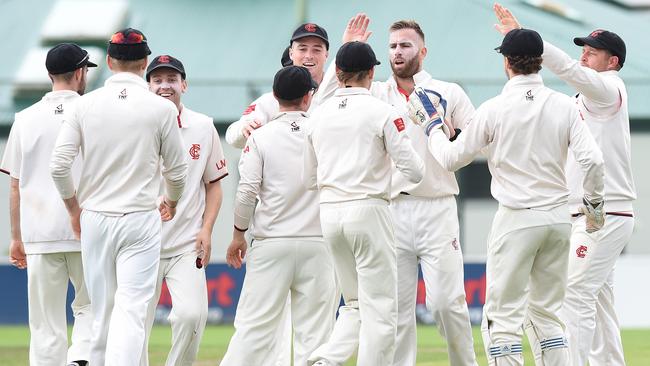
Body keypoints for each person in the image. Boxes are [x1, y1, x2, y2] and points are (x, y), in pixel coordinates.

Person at [415, 28, 605, 366]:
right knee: (546, 315)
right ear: (540, 63)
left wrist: (432, 129)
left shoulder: (495, 108)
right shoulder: (563, 105)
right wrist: (593, 210)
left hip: (516, 219)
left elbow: (450, 158)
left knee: (502, 319)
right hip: (558, 219)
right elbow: (592, 160)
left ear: (506, 63)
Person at [328, 17, 478, 366]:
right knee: (393, 311)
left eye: (405, 45)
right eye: (393, 46)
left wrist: (452, 135)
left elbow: (476, 140)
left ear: (422, 51)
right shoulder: (375, 92)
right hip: (391, 211)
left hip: (436, 207)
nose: (398, 52)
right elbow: (335, 100)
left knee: (445, 303)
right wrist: (344, 49)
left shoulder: (448, 91)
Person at [493, 4, 637, 365]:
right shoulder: (585, 96)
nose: (584, 54)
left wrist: (530, 40)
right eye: (583, 48)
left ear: (613, 61)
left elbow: (571, 72)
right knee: (598, 298)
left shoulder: (610, 89)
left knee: (575, 294)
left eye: (593, 50)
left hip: (603, 213)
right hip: (587, 213)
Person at [50, 28, 188, 366]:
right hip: (141, 217)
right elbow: (178, 171)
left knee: (101, 308)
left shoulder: (85, 105)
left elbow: (58, 167)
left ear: (110, 61)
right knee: (130, 309)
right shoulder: (161, 109)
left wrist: (73, 208)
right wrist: (171, 201)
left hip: (95, 217)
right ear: (144, 63)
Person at [305, 41, 425, 366]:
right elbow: (415, 171)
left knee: (355, 304)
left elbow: (308, 176)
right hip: (369, 210)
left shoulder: (317, 115)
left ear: (339, 73)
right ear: (372, 73)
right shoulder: (382, 112)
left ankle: (326, 360)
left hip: (329, 213)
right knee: (382, 309)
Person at [221, 65, 338, 366]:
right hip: (318, 242)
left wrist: (237, 235)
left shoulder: (261, 137)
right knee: (315, 339)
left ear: (275, 96)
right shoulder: (324, 132)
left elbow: (247, 192)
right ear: (308, 97)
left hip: (271, 243)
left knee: (253, 331)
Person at [1, 43, 95, 366]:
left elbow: (15, 186)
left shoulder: (24, 119)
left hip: (39, 233)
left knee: (44, 323)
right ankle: (81, 358)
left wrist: (16, 237)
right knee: (90, 307)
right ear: (80, 72)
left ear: (49, 74)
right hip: (86, 229)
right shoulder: (92, 112)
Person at [140, 55, 228, 366]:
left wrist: (207, 229)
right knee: (136, 324)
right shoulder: (133, 125)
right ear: (147, 86)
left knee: (192, 316)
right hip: (141, 243)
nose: (165, 86)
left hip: (186, 244)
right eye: (158, 80)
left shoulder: (203, 126)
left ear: (184, 85)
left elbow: (214, 185)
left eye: (172, 80)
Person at [225, 14, 370, 148]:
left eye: (316, 50)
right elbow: (232, 135)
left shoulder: (340, 90)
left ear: (326, 55)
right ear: (291, 53)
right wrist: (244, 129)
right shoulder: (272, 99)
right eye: (302, 49)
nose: (309, 56)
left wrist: (349, 48)